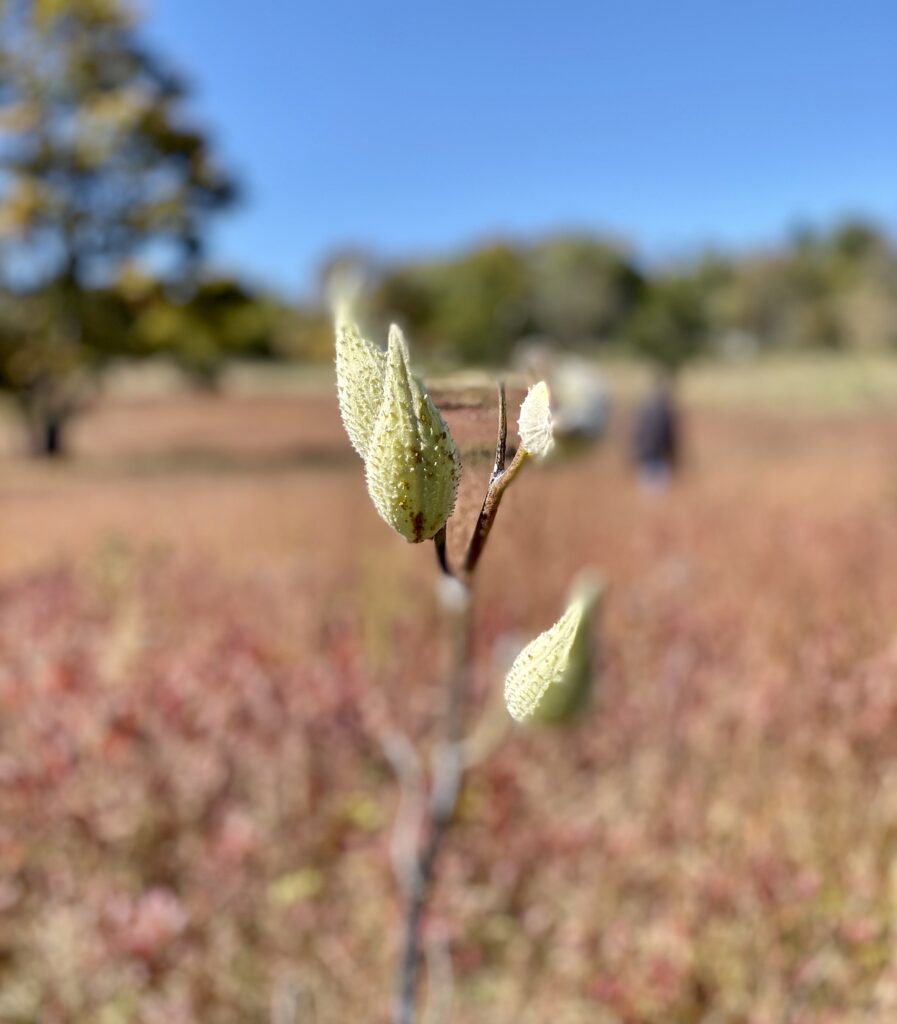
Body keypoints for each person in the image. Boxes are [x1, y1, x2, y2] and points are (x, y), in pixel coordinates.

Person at [632, 375, 679, 488]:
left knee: (647, 490)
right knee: (659, 491)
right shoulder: (665, 412)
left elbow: (638, 433)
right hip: (658, 455)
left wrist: (636, 451)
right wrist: (673, 455)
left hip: (646, 454)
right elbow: (670, 436)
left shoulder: (644, 409)